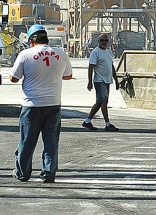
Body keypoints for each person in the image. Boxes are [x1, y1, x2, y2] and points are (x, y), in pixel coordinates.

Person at [10, 23, 73, 184]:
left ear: (31, 40)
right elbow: (68, 76)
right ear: (46, 39)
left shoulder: (25, 54)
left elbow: (13, 78)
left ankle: (22, 173)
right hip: (53, 104)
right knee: (51, 140)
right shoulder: (61, 54)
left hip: (31, 105)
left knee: (27, 141)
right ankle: (48, 173)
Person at [83, 33, 121, 131]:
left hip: (107, 80)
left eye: (106, 40)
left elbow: (111, 67)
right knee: (103, 102)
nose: (104, 42)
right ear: (98, 41)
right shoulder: (95, 52)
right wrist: (90, 82)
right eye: (102, 40)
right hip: (99, 80)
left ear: (108, 42)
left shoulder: (108, 52)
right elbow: (91, 67)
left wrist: (116, 80)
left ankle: (87, 121)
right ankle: (108, 124)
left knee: (100, 102)